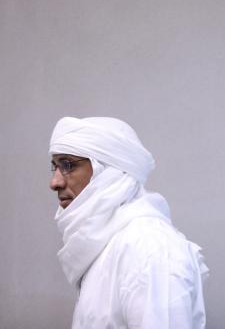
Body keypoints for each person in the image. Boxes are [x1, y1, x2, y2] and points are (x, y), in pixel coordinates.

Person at [48, 116, 209, 329]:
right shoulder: (108, 244)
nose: (55, 182)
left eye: (68, 165)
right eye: (55, 167)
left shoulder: (148, 247)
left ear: (108, 171)